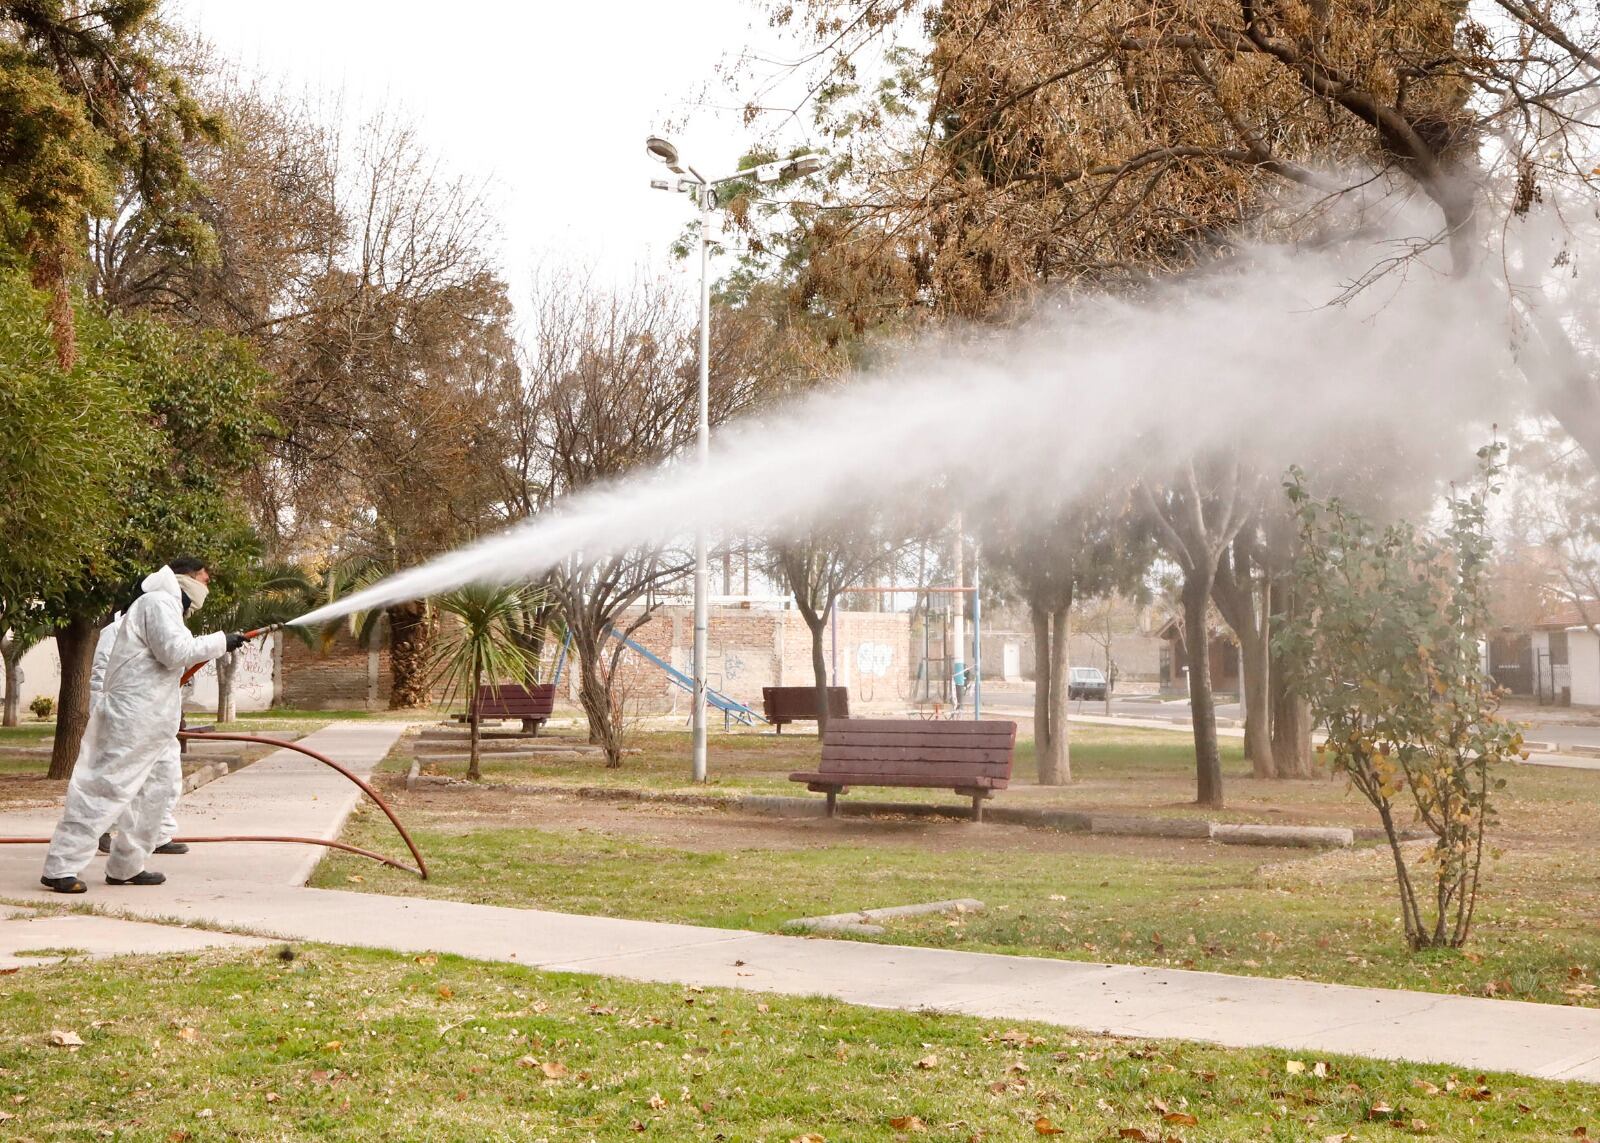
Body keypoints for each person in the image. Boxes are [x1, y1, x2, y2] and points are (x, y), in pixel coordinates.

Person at [40, 559, 243, 894]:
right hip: (132, 719)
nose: (207, 584)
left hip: (155, 722)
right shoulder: (157, 602)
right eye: (205, 578)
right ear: (185, 578)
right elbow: (174, 651)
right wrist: (223, 640)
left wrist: (220, 643)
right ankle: (60, 866)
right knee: (105, 788)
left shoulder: (169, 608)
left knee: (158, 793)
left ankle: (127, 866)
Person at [89, 607, 186, 858]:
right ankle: (100, 828)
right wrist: (104, 716)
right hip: (126, 720)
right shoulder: (115, 632)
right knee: (118, 779)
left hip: (158, 719)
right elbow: (101, 675)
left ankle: (159, 834)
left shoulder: (164, 629)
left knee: (167, 778)